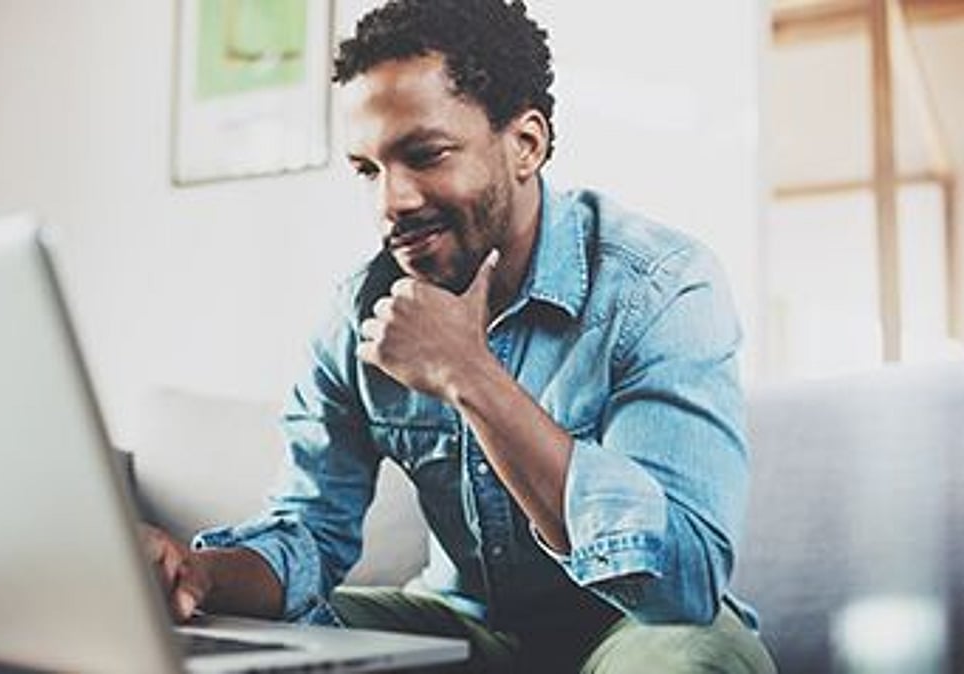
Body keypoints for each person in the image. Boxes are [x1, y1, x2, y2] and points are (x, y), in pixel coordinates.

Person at [142, 1, 777, 671]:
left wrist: (469, 375)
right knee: (236, 638)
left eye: (425, 154)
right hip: (463, 624)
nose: (392, 201)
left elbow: (684, 583)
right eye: (368, 169)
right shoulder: (359, 314)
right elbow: (307, 533)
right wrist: (197, 572)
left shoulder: (660, 287)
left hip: (638, 628)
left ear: (526, 143)